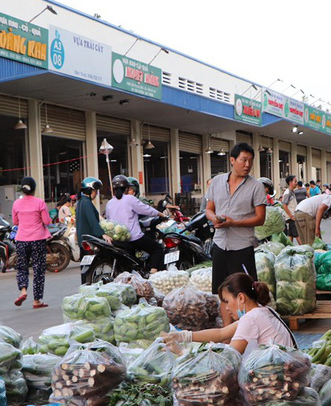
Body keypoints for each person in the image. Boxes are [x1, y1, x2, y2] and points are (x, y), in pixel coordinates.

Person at [162, 273, 294, 356]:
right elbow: (221, 334)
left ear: (241, 298)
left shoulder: (251, 318)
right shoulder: (262, 310)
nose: (225, 308)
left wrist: (183, 352)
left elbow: (228, 360)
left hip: (281, 377)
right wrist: (183, 336)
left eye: (227, 301)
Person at [205, 142, 267, 298]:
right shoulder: (217, 182)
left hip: (242, 248)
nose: (247, 165)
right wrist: (214, 218)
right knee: (222, 294)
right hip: (219, 245)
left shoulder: (256, 186)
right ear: (232, 160)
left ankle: (245, 323)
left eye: (250, 161)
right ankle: (228, 324)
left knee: (245, 295)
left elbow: (260, 219)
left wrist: (234, 222)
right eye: (243, 160)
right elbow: (208, 209)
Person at [105, 174, 165, 272]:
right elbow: (146, 210)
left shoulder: (109, 203)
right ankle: (153, 273)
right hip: (134, 238)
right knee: (157, 249)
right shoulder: (130, 199)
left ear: (114, 189)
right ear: (127, 188)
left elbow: (108, 218)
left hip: (117, 240)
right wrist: (160, 214)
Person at [12, 176, 51, 309]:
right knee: (38, 269)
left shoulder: (16, 204)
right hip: (38, 239)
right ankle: (37, 300)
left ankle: (23, 291)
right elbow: (47, 221)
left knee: (22, 267)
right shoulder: (40, 202)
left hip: (21, 240)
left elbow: (15, 222)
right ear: (34, 189)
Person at [75, 177, 111, 251]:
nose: (97, 193)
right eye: (95, 191)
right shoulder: (87, 202)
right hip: (90, 240)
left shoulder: (81, 201)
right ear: (89, 190)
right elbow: (92, 221)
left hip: (83, 240)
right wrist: (102, 234)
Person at [280, 175, 300, 243]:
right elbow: (284, 205)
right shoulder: (287, 193)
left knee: (290, 235)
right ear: (290, 182)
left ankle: (289, 248)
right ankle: (305, 249)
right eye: (295, 181)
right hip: (291, 218)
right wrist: (291, 216)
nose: (296, 183)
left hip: (292, 217)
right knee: (297, 235)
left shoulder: (292, 192)